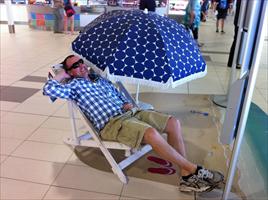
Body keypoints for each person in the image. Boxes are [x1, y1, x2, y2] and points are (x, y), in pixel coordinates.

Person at [43, 55, 224, 192]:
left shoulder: (100, 80)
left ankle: (186, 176)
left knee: (173, 122)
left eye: (81, 62)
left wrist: (125, 102)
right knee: (151, 133)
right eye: (75, 65)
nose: (81, 65)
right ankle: (193, 169)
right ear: (70, 72)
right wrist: (61, 75)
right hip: (112, 123)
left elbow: (117, 95)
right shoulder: (73, 86)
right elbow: (48, 89)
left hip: (130, 112)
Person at [227, 0, 241, 68]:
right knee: (237, 41)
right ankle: (233, 62)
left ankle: (232, 62)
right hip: (240, 22)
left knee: (236, 41)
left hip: (239, 22)